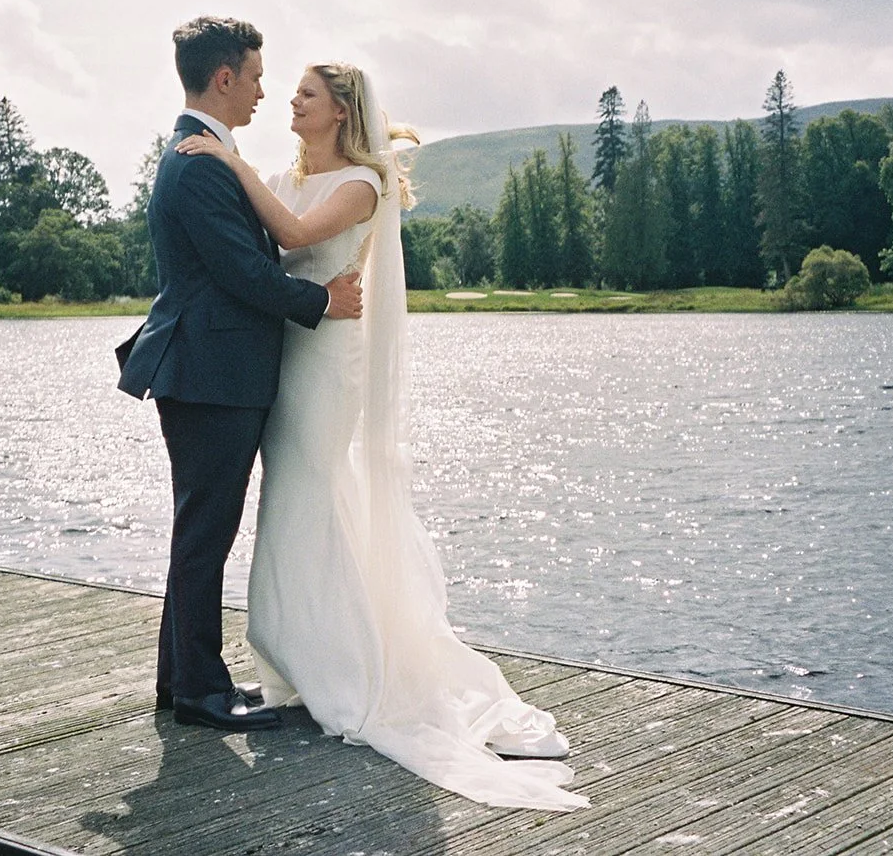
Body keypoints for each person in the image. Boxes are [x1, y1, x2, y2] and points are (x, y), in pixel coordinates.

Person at [173, 62, 587, 810]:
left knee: (313, 490)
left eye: (304, 94)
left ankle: (344, 664)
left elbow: (294, 234)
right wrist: (241, 172)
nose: (288, 102)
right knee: (288, 503)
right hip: (285, 352)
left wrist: (230, 161)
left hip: (328, 359)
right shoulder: (284, 172)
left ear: (339, 111)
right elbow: (261, 250)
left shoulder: (363, 184)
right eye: (287, 89)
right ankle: (296, 657)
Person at [116, 17, 364, 733]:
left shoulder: (206, 156)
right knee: (205, 533)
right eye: (255, 77)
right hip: (209, 372)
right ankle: (199, 690)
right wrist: (324, 300)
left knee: (200, 530)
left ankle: (183, 679)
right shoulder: (197, 164)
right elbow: (245, 274)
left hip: (211, 370)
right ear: (223, 77)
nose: (263, 92)